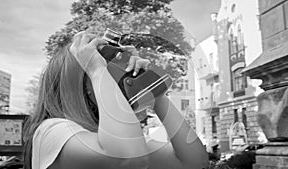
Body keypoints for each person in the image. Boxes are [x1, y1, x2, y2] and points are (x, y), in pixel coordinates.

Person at [23, 31, 209, 169]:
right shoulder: (51, 131)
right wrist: (97, 70)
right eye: (107, 72)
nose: (114, 83)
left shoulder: (119, 138)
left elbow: (194, 163)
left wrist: (155, 94)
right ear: (79, 84)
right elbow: (128, 159)